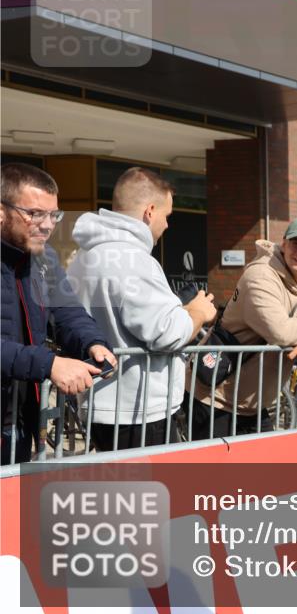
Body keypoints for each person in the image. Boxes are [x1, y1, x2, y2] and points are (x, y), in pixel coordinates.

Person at [67, 168, 218, 451]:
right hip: (140, 408)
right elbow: (166, 333)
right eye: (167, 216)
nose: (167, 225)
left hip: (104, 403)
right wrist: (198, 312)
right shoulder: (132, 259)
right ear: (150, 211)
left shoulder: (85, 256)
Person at [190, 217, 297, 438]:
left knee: (262, 472)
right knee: (214, 473)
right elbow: (281, 332)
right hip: (214, 397)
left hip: (254, 404)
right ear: (284, 244)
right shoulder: (260, 275)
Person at [1, 163, 116, 463]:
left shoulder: (44, 258)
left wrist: (92, 342)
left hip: (21, 419)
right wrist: (49, 364)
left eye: (54, 214)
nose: (48, 224)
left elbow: (67, 311)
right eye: (35, 213)